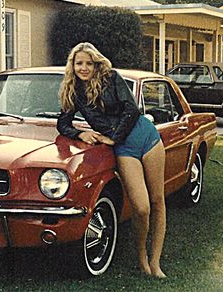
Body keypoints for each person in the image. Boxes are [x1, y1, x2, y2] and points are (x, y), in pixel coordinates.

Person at [57, 42, 167, 278]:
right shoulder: (73, 91)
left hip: (146, 136)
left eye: (88, 63)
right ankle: (141, 258)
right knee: (142, 207)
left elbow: (131, 109)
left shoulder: (111, 77)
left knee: (157, 201)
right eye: (79, 63)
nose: (84, 68)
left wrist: (112, 138)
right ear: (72, 66)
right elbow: (63, 123)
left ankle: (155, 262)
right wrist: (81, 133)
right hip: (125, 149)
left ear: (96, 63)